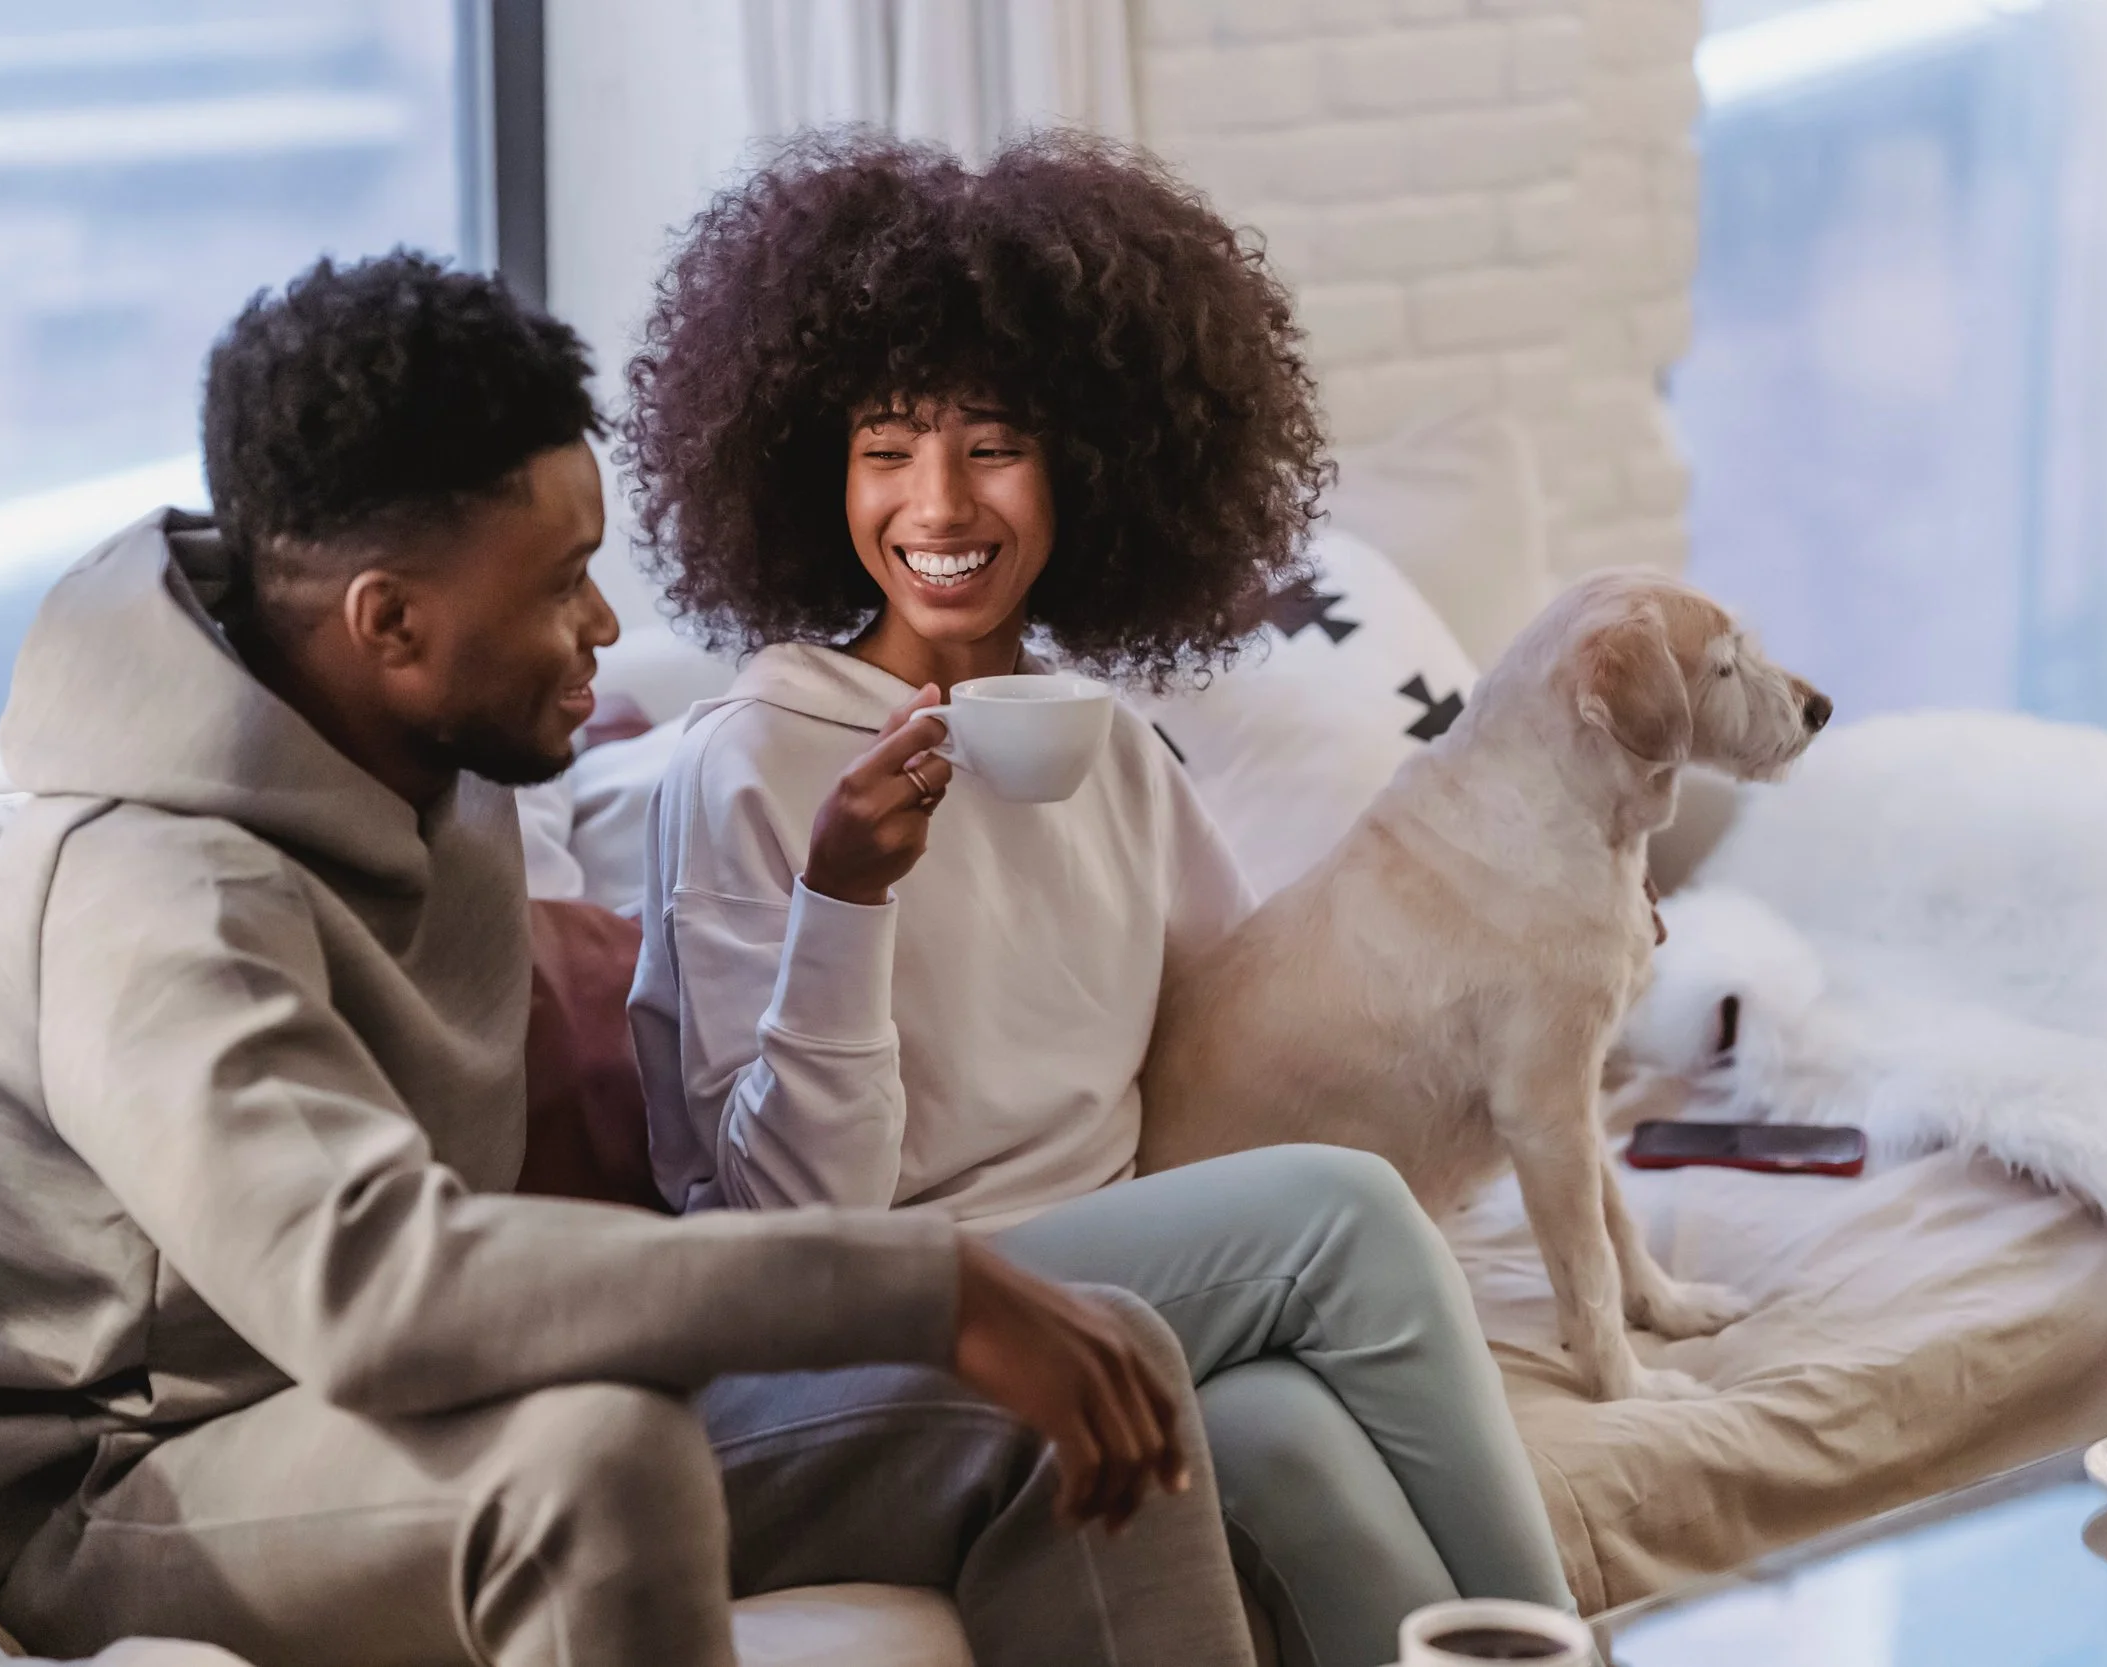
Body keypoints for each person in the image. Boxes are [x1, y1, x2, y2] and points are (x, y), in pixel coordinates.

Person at [0, 252, 1260, 1667]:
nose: (607, 624)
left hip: (443, 1397)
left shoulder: (432, 745)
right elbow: (374, 1287)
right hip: (142, 1480)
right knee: (598, 1463)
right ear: (390, 622)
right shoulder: (144, 898)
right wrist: (924, 1284)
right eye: (564, 584)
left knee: (1105, 1361)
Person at [625, 133, 1579, 1666]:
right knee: (1340, 1219)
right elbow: (800, 1224)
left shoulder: (1118, 756)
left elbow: (1256, 1037)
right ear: (818, 471)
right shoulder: (754, 759)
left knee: (1280, 1440)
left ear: (1089, 462)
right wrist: (846, 899)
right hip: (857, 1324)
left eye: (992, 442)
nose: (938, 500)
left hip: (1112, 1288)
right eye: (886, 447)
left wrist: (1528, 914)